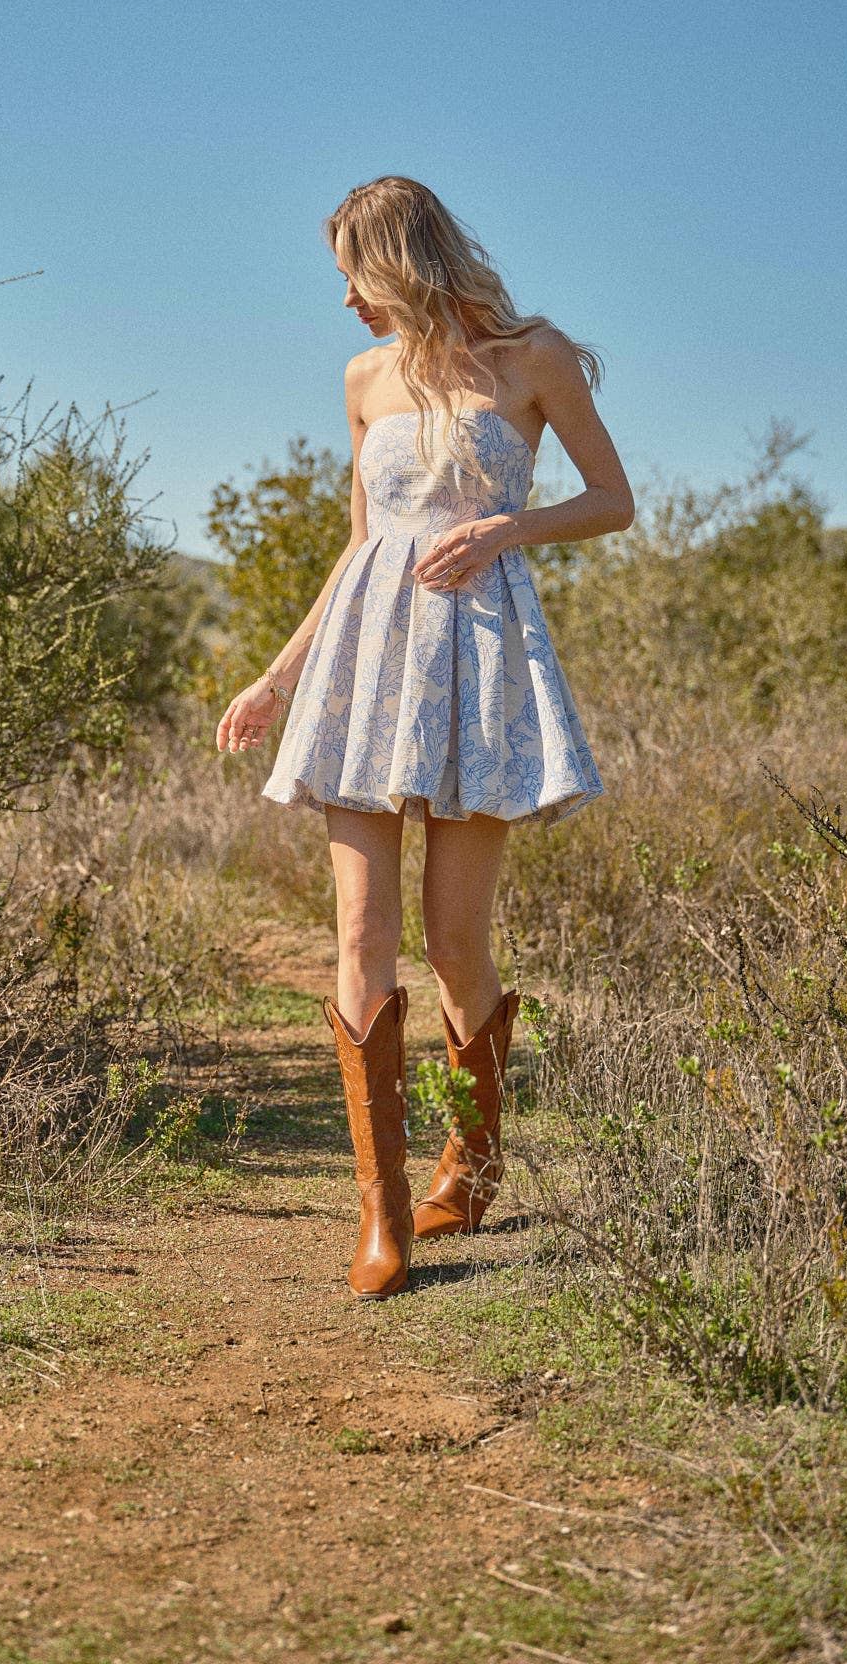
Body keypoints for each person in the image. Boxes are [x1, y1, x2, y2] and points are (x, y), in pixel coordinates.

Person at [217, 176, 634, 1300]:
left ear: (398, 258)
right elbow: (360, 552)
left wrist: (512, 525)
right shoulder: (362, 379)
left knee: (454, 941)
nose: (346, 299)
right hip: (363, 669)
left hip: (483, 661)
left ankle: (474, 1155)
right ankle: (382, 1214)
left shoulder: (532, 357)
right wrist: (276, 673)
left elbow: (613, 498)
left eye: (354, 270)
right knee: (361, 932)